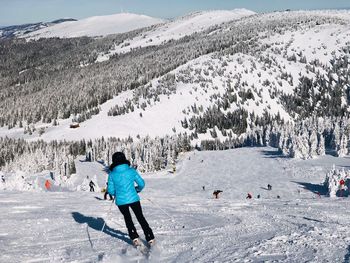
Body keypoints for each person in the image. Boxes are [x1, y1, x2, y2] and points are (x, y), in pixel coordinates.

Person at [107, 152, 155, 247]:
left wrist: (117, 193)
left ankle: (135, 238)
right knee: (140, 217)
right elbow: (141, 183)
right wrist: (137, 190)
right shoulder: (131, 171)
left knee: (127, 218)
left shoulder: (112, 174)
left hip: (121, 201)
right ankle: (150, 238)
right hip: (133, 198)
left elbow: (110, 190)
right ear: (124, 159)